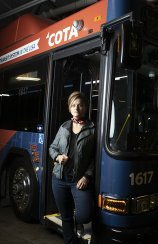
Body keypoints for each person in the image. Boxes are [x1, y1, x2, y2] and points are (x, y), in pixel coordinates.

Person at [49, 91, 95, 244]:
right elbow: (52, 147)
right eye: (73, 105)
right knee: (66, 216)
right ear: (69, 108)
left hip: (79, 180)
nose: (77, 108)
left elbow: (95, 158)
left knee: (84, 215)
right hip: (59, 178)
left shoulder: (92, 129)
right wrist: (57, 157)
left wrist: (87, 176)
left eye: (80, 105)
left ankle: (79, 224)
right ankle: (70, 241)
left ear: (85, 107)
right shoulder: (63, 127)